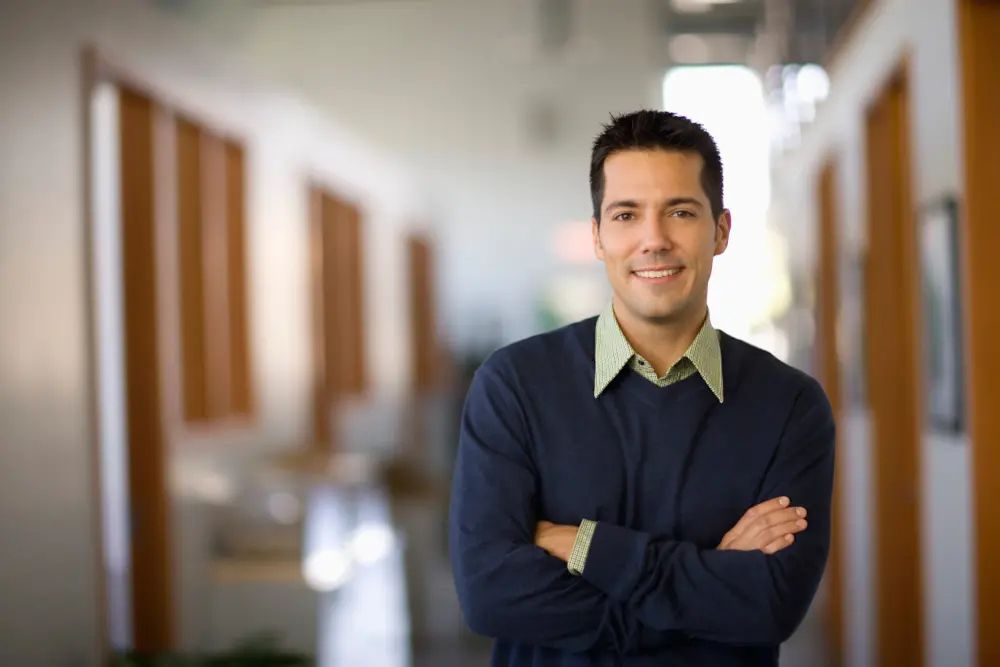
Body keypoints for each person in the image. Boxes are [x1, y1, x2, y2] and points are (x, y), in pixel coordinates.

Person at [448, 109, 835, 666]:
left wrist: (585, 546)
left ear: (720, 231)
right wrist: (705, 593)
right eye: (627, 215)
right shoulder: (513, 386)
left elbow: (770, 605)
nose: (653, 240)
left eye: (680, 212)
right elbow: (490, 597)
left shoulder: (789, 406)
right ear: (598, 237)